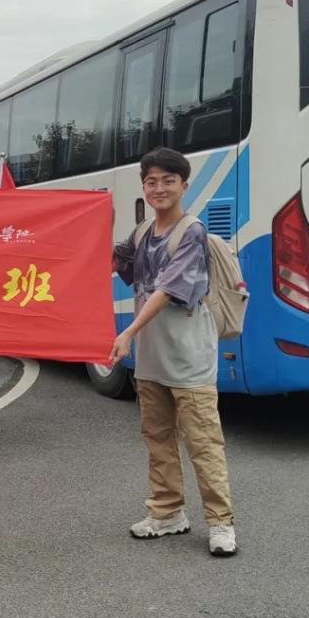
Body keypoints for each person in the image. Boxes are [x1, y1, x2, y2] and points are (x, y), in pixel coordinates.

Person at [110, 147, 237, 557]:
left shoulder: (191, 232)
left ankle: (220, 522)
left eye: (168, 180)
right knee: (158, 438)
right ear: (143, 187)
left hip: (189, 356)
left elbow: (166, 289)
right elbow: (111, 261)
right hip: (151, 358)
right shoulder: (143, 231)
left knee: (203, 441)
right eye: (151, 181)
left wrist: (128, 331)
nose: (159, 188)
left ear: (184, 185)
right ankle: (167, 512)